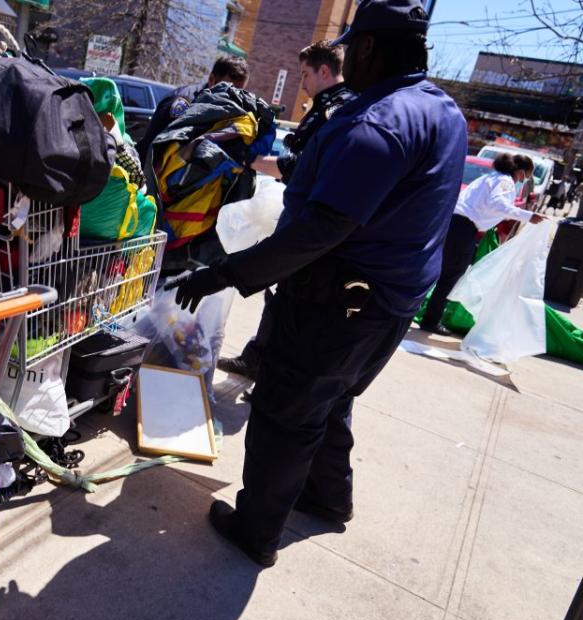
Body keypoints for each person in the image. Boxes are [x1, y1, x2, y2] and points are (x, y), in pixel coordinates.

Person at [167, 0, 467, 567]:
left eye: (353, 46)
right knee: (331, 399)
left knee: (287, 411)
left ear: (371, 49)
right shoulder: (443, 111)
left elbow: (319, 230)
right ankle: (329, 498)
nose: (348, 55)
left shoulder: (376, 123)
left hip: (338, 304)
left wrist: (227, 273)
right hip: (390, 303)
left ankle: (256, 529)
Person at [219, 40, 357, 380]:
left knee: (290, 296)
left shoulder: (334, 110)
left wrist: (252, 161)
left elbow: (302, 166)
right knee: (283, 294)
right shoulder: (337, 104)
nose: (302, 82)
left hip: (310, 218)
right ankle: (260, 358)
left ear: (324, 71)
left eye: (305, 74)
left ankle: (268, 367)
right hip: (308, 214)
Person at [418, 153, 544, 335]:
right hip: (464, 228)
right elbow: (498, 204)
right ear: (521, 172)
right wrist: (528, 216)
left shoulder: (490, 177)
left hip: (454, 222)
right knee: (450, 276)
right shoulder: (505, 182)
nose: (524, 180)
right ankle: (430, 320)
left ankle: (417, 310)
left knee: (439, 270)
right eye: (527, 176)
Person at [136, 56, 249, 161]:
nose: (231, 98)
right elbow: (155, 144)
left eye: (238, 93)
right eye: (227, 90)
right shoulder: (184, 102)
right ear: (211, 79)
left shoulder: (228, 113)